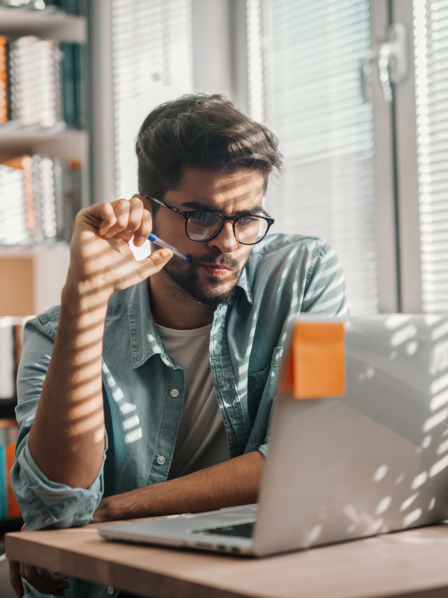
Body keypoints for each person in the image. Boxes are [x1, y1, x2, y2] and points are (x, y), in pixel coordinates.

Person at [8, 94, 349, 598]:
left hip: (248, 577)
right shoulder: (55, 331)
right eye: (200, 217)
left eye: (247, 217)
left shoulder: (304, 275)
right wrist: (85, 297)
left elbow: (305, 458)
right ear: (146, 213)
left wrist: (115, 510)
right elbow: (56, 508)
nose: (228, 243)